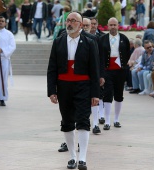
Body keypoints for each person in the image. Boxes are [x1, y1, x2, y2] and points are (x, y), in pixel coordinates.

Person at [47, 11, 100, 170]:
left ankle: (82, 158)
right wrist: (51, 91)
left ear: (80, 25)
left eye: (73, 21)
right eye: (68, 20)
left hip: (83, 87)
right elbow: (52, 68)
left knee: (83, 121)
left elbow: (95, 70)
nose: (69, 23)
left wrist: (95, 94)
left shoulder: (90, 42)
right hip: (64, 88)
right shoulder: (59, 41)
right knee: (67, 121)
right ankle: (72, 157)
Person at [98, 17, 130, 130]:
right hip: (107, 71)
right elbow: (99, 56)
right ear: (107, 26)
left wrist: (124, 65)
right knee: (107, 94)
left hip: (120, 71)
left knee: (119, 95)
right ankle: (107, 121)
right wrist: (101, 73)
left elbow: (127, 53)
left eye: (114, 25)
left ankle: (116, 119)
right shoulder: (102, 39)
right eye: (110, 25)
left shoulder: (124, 38)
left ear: (118, 25)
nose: (112, 27)